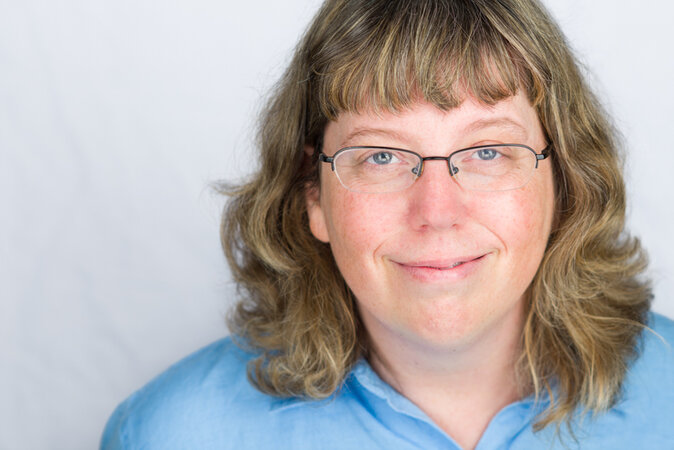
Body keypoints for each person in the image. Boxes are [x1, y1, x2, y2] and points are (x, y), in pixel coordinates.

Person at [100, 0, 674, 448]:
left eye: (487, 151)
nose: (437, 212)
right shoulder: (167, 435)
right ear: (313, 194)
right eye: (381, 156)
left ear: (563, 180)